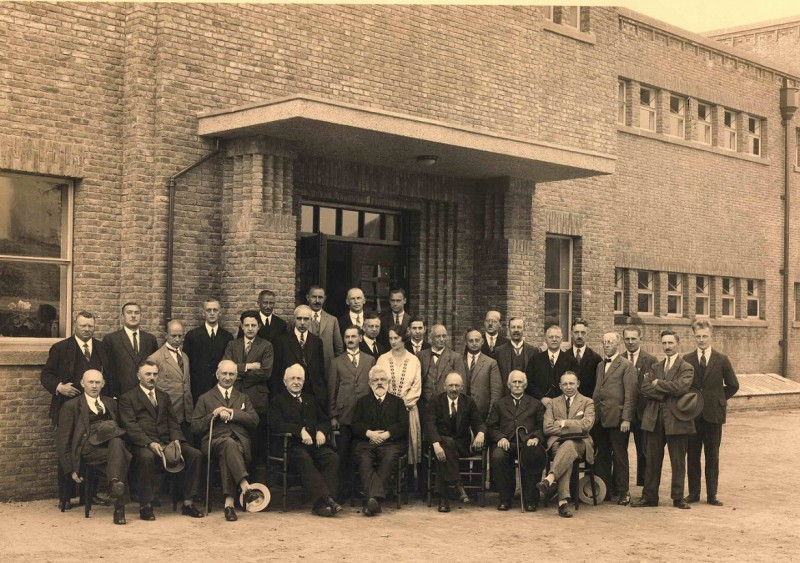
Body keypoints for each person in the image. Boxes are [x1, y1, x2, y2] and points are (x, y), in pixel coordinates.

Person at [40, 310, 111, 510]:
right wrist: (60, 387)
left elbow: (109, 376)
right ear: (75, 326)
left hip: (93, 410)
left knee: (95, 447)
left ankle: (90, 495)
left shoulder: (101, 347)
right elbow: (46, 375)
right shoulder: (60, 348)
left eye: (90, 326)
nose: (87, 329)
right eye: (83, 326)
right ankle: (65, 497)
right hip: (67, 408)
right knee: (68, 448)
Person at [118, 360, 204, 520]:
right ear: (139, 376)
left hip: (167, 442)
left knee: (195, 455)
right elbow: (130, 426)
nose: (152, 377)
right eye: (148, 374)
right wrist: (149, 443)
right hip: (142, 444)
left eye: (155, 374)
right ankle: (146, 506)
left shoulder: (164, 396)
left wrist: (177, 439)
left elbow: (173, 421)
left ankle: (188, 503)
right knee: (146, 457)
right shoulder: (128, 398)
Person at [56, 369, 132, 525]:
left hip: (109, 447)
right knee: (120, 456)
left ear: (103, 384)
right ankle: (118, 506)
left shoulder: (111, 403)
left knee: (117, 445)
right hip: (87, 448)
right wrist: (71, 469)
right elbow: (63, 441)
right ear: (83, 384)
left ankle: (114, 486)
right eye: (90, 382)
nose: (94, 386)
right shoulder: (71, 406)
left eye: (98, 382)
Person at [632, 330, 696, 509]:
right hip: (654, 419)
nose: (667, 347)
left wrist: (658, 384)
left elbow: (681, 388)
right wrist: (665, 391)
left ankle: (678, 498)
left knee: (677, 460)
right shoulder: (655, 367)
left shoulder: (686, 367)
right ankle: (649, 497)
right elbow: (644, 389)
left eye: (670, 343)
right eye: (664, 343)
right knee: (652, 459)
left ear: (678, 344)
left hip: (677, 420)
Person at [268, 365, 342, 517]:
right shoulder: (277, 401)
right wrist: (299, 430)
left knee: (332, 457)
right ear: (285, 381)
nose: (296, 382)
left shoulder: (311, 399)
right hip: (291, 446)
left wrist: (321, 430)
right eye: (292, 379)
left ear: (304, 381)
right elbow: (275, 424)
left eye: (299, 379)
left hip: (315, 445)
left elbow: (325, 420)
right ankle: (327, 499)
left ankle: (321, 504)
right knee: (303, 457)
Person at [191, 360, 260, 521]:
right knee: (228, 445)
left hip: (238, 444)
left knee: (229, 449)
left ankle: (229, 504)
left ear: (236, 376)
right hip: (212, 442)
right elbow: (195, 427)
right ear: (217, 374)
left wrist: (232, 412)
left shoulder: (243, 397)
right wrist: (213, 415)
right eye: (224, 373)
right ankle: (244, 487)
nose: (227, 377)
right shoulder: (205, 398)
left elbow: (254, 420)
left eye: (231, 374)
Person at [683, 319, 739, 506]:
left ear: (711, 335)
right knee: (692, 455)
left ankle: (712, 494)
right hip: (692, 416)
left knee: (712, 456)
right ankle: (693, 493)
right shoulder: (687, 359)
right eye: (698, 336)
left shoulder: (721, 359)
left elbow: (733, 385)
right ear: (694, 337)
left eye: (705, 336)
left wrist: (719, 400)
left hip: (713, 415)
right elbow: (683, 386)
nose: (701, 340)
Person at [423, 372, 485, 512]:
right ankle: (457, 487)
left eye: (457, 385)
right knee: (446, 447)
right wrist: (435, 444)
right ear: (444, 386)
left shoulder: (468, 401)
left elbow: (478, 422)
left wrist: (480, 433)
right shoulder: (435, 401)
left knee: (447, 448)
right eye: (450, 385)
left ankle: (444, 497)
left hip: (461, 444)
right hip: (440, 443)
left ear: (462, 387)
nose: (454, 389)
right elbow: (429, 424)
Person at [351, 366, 409, 516]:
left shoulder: (398, 402)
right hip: (367, 443)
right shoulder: (362, 402)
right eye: (376, 380)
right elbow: (355, 424)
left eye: (383, 380)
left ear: (388, 383)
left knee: (389, 458)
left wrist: (387, 434)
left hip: (391, 443)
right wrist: (369, 433)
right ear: (370, 383)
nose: (379, 383)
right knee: (364, 459)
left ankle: (371, 499)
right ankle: (375, 501)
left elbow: (403, 424)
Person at [487, 370, 548, 512]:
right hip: (507, 442)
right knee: (497, 456)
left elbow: (541, 426)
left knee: (534, 454)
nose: (517, 385)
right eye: (514, 382)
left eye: (520, 382)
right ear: (508, 385)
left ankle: (530, 499)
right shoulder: (499, 404)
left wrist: (535, 438)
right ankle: (505, 498)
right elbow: (491, 426)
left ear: (525, 385)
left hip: (527, 443)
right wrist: (500, 437)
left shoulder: (535, 404)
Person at [328, 325, 375, 500]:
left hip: (364, 415)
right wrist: (333, 415)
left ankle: (365, 491)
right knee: (343, 453)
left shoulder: (370, 360)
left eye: (353, 336)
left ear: (360, 338)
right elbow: (332, 389)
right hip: (344, 414)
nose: (350, 339)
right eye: (347, 336)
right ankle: (342, 492)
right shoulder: (336, 361)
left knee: (364, 453)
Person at [539, 371, 595, 518]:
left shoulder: (587, 402)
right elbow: (547, 428)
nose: (568, 387)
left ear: (578, 384)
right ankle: (562, 503)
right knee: (567, 451)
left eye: (571, 383)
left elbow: (587, 426)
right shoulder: (552, 403)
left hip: (581, 443)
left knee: (569, 445)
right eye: (565, 384)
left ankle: (550, 479)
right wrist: (575, 426)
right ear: (560, 386)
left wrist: (563, 423)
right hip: (557, 443)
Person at [223, 311, 274, 471]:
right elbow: (226, 365)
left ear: (259, 327)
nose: (250, 328)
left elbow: (266, 372)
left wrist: (238, 373)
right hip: (236, 397)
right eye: (247, 325)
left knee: (256, 439)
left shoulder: (266, 345)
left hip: (257, 398)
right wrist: (248, 366)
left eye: (253, 325)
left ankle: (255, 479)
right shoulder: (233, 344)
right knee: (238, 436)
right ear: (241, 326)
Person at [592, 332, 637, 505]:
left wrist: (626, 419)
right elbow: (598, 391)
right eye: (604, 342)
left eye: (610, 342)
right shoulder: (600, 366)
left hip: (618, 419)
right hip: (600, 418)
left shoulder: (626, 366)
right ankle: (604, 490)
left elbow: (630, 395)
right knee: (602, 454)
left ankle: (624, 491)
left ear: (618, 344)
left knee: (619, 455)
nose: (607, 345)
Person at [376, 325, 422, 466]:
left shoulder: (414, 360)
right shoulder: (383, 359)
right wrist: (389, 404)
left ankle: (409, 480)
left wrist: (403, 405)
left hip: (408, 409)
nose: (393, 341)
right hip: (386, 410)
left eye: (396, 338)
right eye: (390, 338)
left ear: (403, 338)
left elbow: (416, 386)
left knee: (408, 446)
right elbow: (378, 385)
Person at [272, 305, 327, 411]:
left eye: (306, 319)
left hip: (312, 393)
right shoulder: (282, 341)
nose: (302, 322)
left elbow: (320, 370)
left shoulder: (316, 342)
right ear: (294, 319)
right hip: (288, 392)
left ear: (311, 320)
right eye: (299, 318)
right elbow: (276, 371)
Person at [622, 326, 657, 487]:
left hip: (643, 413)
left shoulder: (651, 360)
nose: (630, 342)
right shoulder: (619, 359)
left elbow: (653, 387)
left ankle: (644, 486)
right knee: (620, 450)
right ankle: (620, 486)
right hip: (623, 414)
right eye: (627, 339)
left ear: (640, 339)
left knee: (644, 450)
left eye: (633, 338)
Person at [147, 320, 193, 439]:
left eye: (180, 336)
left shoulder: (185, 357)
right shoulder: (155, 358)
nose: (177, 339)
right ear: (165, 335)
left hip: (186, 413)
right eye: (173, 336)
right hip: (168, 413)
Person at [183, 298, 234, 404]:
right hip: (198, 388)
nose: (212, 313)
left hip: (220, 387)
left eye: (215, 310)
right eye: (208, 310)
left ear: (220, 312)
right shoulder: (192, 336)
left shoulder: (227, 337)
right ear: (203, 312)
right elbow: (185, 364)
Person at [102, 302, 158, 397]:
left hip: (145, 394)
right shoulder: (111, 339)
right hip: (120, 394)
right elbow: (106, 370)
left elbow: (155, 366)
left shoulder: (150, 339)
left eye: (136, 313)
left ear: (141, 315)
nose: (133, 316)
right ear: (122, 316)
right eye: (129, 312)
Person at [525, 325, 579, 401]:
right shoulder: (535, 360)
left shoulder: (571, 361)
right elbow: (529, 383)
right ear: (545, 340)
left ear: (562, 339)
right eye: (551, 337)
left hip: (563, 405)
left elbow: (573, 384)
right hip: (539, 404)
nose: (554, 339)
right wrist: (542, 398)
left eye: (557, 337)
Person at [419, 324, 467, 405]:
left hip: (446, 404)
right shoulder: (421, 355)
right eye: (438, 336)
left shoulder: (455, 357)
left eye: (444, 336)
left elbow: (462, 385)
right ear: (431, 338)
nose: (442, 339)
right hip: (425, 403)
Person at [303, 285, 344, 375]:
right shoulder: (299, 319)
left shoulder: (332, 320)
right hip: (304, 368)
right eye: (314, 297)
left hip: (326, 369)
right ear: (307, 297)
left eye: (320, 297)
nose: (317, 301)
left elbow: (339, 348)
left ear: (324, 298)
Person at [463, 328, 503, 421]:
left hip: (482, 414)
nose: (474, 343)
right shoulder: (458, 361)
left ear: (482, 341)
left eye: (477, 340)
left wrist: (490, 415)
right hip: (461, 413)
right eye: (471, 340)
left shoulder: (491, 363)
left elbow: (496, 392)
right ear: (466, 342)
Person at [494, 317, 539, 393]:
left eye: (519, 327)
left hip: (528, 397)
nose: (516, 330)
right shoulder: (499, 351)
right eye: (513, 327)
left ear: (524, 329)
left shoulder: (533, 351)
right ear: (509, 329)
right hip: (506, 398)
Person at [565, 318, 603, 398]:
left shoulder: (596, 359)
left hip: (588, 403)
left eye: (583, 333)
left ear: (587, 334)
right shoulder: (563, 357)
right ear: (571, 333)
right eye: (576, 332)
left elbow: (599, 386)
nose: (579, 336)